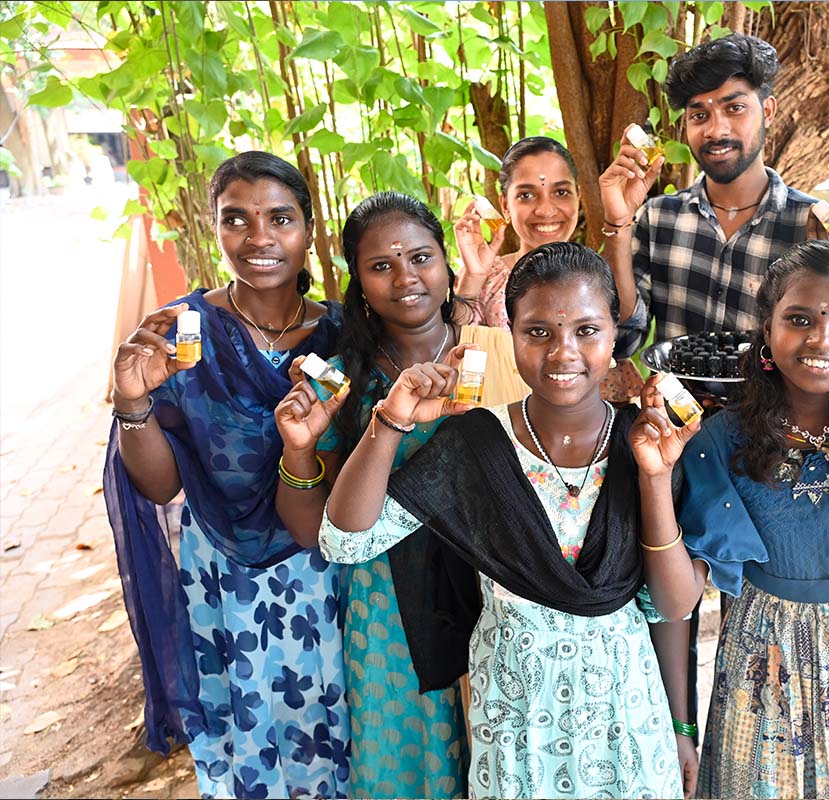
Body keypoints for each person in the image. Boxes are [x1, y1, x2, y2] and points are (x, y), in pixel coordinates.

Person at [319, 242, 684, 799]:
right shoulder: (476, 443)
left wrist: (655, 479)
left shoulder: (649, 440)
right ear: (508, 334)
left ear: (616, 334)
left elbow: (675, 605)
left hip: (626, 721)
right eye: (538, 332)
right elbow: (345, 542)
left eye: (587, 330)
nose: (564, 352)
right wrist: (390, 421)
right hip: (518, 723)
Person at [634, 240, 829, 798]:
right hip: (756, 692)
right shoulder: (717, 442)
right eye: (799, 319)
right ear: (767, 334)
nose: (822, 338)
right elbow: (678, 606)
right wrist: (678, 727)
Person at [103, 151, 349, 797]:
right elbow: (160, 488)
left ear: (309, 228)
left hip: (325, 570)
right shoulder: (186, 332)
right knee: (247, 742)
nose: (259, 237)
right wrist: (134, 402)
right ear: (214, 229)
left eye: (280, 218)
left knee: (334, 728)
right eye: (236, 219)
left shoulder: (343, 335)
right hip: (224, 579)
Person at [272, 192, 472, 798]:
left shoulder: (497, 351)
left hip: (499, 585)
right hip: (388, 608)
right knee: (415, 770)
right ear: (357, 282)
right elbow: (315, 533)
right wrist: (300, 449)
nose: (406, 278)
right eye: (381, 266)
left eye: (420, 257)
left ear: (446, 264)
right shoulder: (339, 378)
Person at [599, 33, 829, 351]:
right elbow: (623, 339)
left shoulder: (812, 225)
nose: (716, 130)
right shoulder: (659, 218)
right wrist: (618, 224)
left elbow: (828, 348)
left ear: (769, 110)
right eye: (698, 115)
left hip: (771, 403)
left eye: (735, 108)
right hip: (673, 401)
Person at [454, 136, 643, 403]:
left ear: (578, 195)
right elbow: (454, 354)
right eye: (527, 195)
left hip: (602, 420)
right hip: (509, 429)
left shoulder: (596, 274)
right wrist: (474, 276)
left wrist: (619, 221)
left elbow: (628, 333)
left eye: (561, 192)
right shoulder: (486, 277)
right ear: (505, 205)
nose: (545, 209)